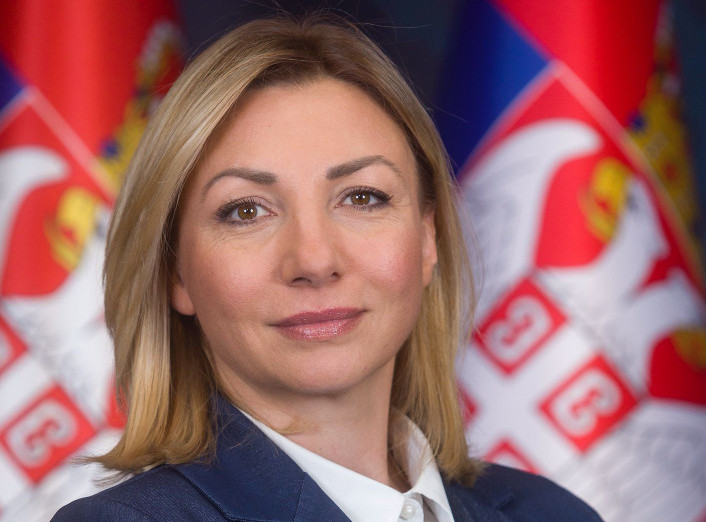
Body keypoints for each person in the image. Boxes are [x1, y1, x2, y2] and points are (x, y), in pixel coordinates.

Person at [52, 14, 603, 522]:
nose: (315, 261)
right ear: (176, 272)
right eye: (246, 211)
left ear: (427, 238)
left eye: (362, 198)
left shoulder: (552, 514)